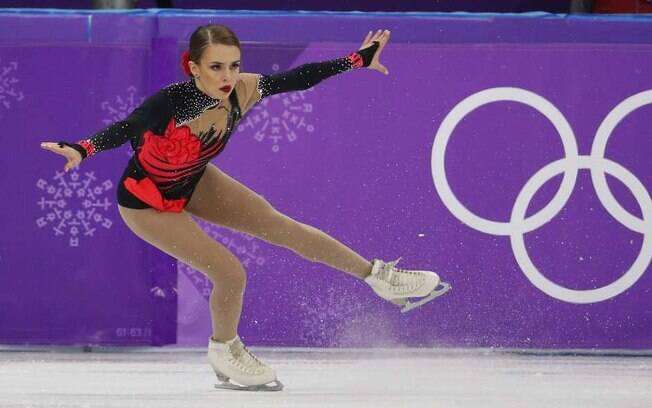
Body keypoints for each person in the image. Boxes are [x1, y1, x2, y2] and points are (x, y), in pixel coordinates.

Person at [40, 24, 450, 392]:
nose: (227, 77)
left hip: (195, 179)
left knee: (279, 225)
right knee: (230, 273)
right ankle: (225, 350)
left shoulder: (243, 89)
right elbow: (128, 127)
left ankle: (378, 277)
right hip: (147, 202)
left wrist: (356, 60)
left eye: (233, 66)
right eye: (216, 67)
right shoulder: (172, 103)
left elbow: (297, 79)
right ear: (193, 67)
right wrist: (82, 148)